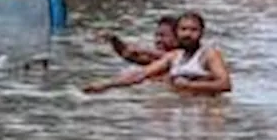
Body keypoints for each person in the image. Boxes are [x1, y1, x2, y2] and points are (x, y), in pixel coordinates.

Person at [84, 11, 231, 96]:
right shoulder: (173, 57)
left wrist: (190, 86)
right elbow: (140, 75)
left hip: (207, 110)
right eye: (184, 29)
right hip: (185, 109)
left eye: (193, 30)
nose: (188, 34)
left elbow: (225, 84)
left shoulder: (209, 54)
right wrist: (106, 85)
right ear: (177, 32)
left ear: (201, 33)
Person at [99, 15, 178, 66]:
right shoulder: (154, 59)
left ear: (177, 38)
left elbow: (170, 56)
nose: (158, 40)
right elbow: (127, 54)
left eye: (163, 35)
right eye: (156, 35)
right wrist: (113, 39)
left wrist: (142, 50)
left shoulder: (184, 57)